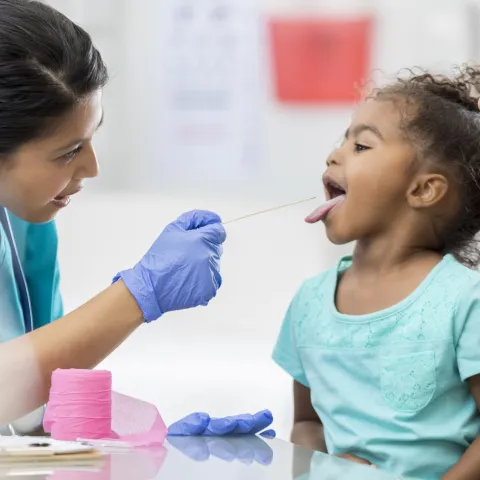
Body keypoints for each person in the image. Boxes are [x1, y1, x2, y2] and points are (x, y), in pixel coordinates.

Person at [0, 0, 226, 431]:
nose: (92, 169)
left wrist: (138, 441)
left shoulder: (27, 221)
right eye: (68, 152)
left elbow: (35, 394)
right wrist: (138, 294)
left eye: (90, 138)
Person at [273, 66, 480, 480]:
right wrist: (321, 466)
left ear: (423, 190)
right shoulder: (310, 302)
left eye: (362, 146)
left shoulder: (464, 301)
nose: (334, 155)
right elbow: (308, 423)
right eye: (342, 140)